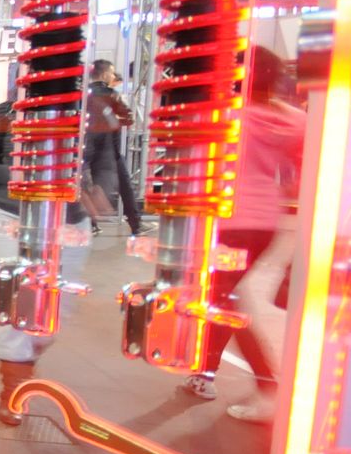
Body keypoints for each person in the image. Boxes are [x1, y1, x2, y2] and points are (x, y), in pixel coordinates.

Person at [178, 45, 304, 421]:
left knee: (227, 301)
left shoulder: (226, 115)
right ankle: (205, 373)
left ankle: (268, 386)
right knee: (224, 297)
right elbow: (300, 175)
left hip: (227, 219)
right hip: (265, 221)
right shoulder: (294, 120)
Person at [82, 60, 147, 237]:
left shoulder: (84, 96)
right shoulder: (112, 95)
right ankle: (136, 224)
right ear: (104, 74)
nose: (113, 76)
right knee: (125, 185)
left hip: (87, 147)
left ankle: (91, 224)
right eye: (111, 72)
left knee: (86, 185)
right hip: (110, 147)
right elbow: (129, 118)